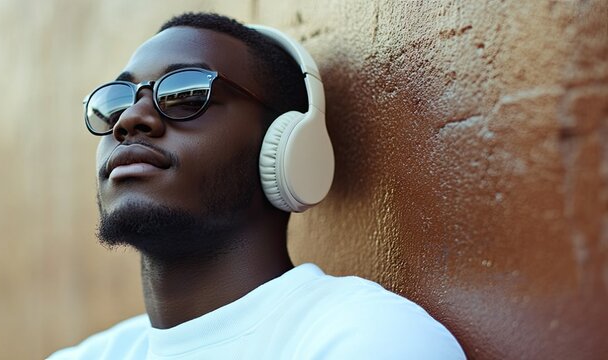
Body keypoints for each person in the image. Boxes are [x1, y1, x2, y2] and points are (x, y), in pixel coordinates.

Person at [49, 12, 464, 359]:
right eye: (116, 103)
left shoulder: (371, 338)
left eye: (186, 94)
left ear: (283, 146)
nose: (128, 120)